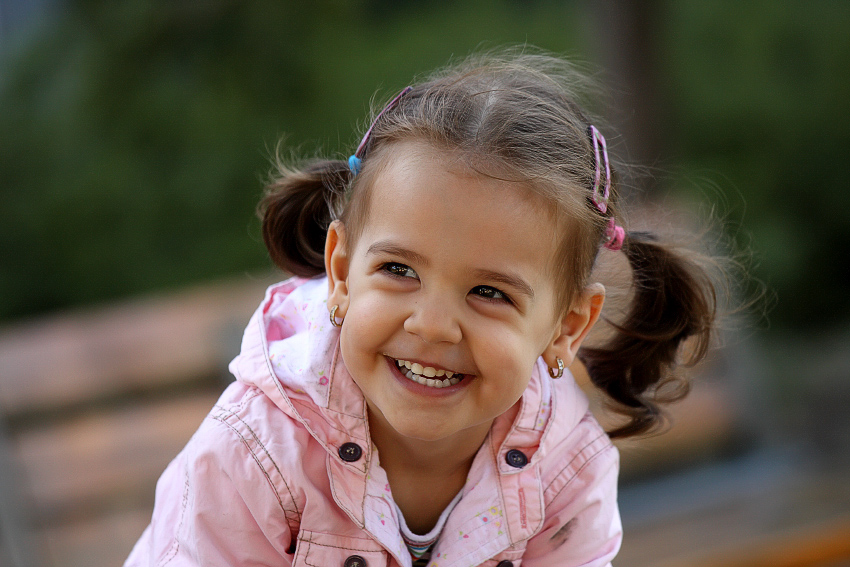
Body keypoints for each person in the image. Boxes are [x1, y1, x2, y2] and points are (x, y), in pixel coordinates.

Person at [125, 50, 718, 567]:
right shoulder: (255, 451)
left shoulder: (565, 464)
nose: (432, 326)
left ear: (566, 327)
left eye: (490, 293)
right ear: (340, 272)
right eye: (399, 270)